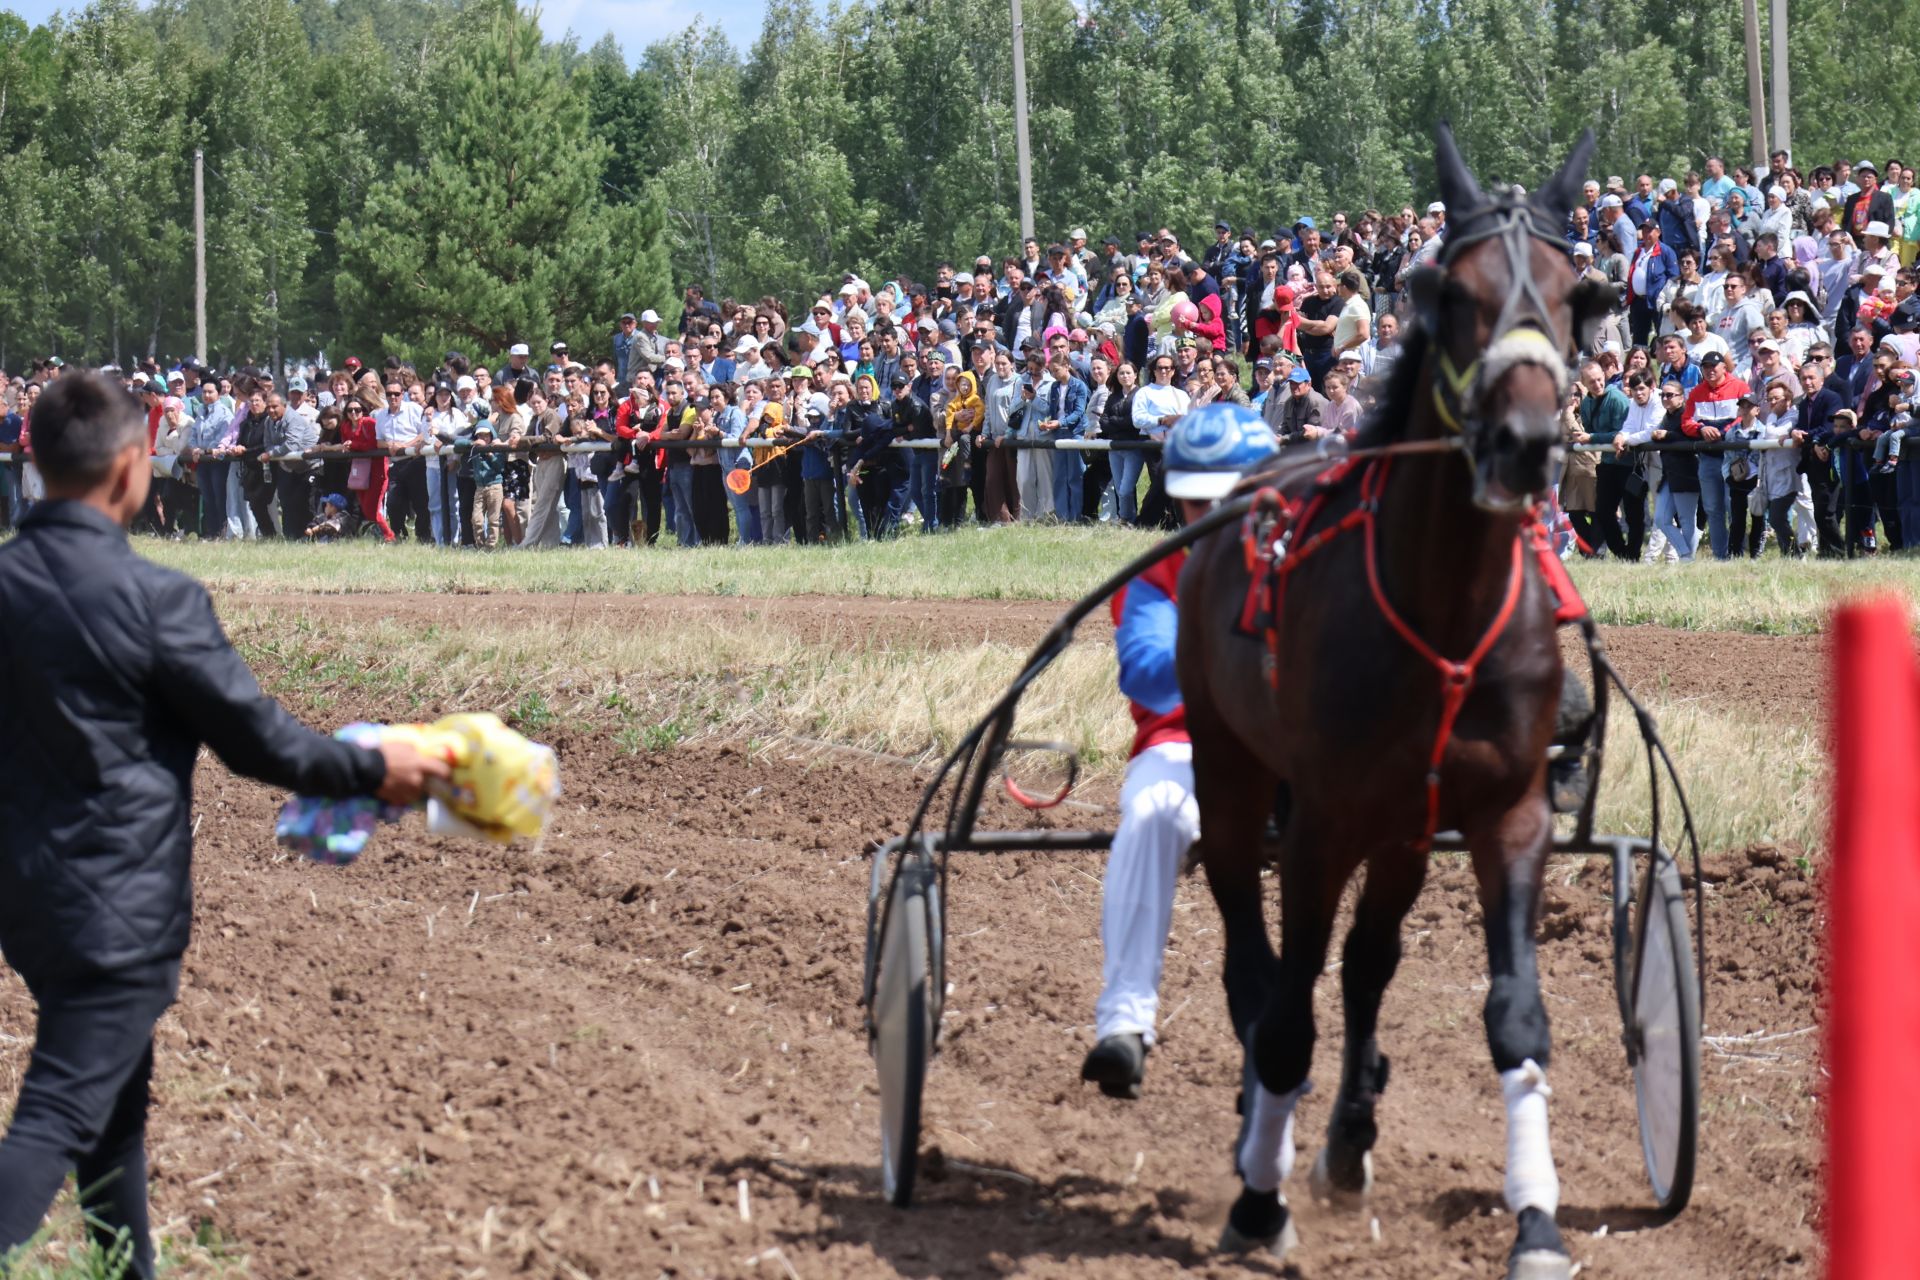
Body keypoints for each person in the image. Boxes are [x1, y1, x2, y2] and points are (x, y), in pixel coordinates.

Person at [0, 373, 448, 1278]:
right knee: (59, 1112)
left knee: (112, 1110)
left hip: (25, 899)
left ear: (33, 462)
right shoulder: (155, 600)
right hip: (118, 907)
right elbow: (260, 743)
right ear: (133, 467)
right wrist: (377, 767)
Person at [1081, 402, 1277, 1100]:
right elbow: (1148, 673)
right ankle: (1124, 1023)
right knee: (1156, 812)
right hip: (1184, 748)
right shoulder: (1156, 579)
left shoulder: (1307, 571)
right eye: (1201, 502)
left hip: (1296, 754)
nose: (1217, 517)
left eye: (1233, 499)